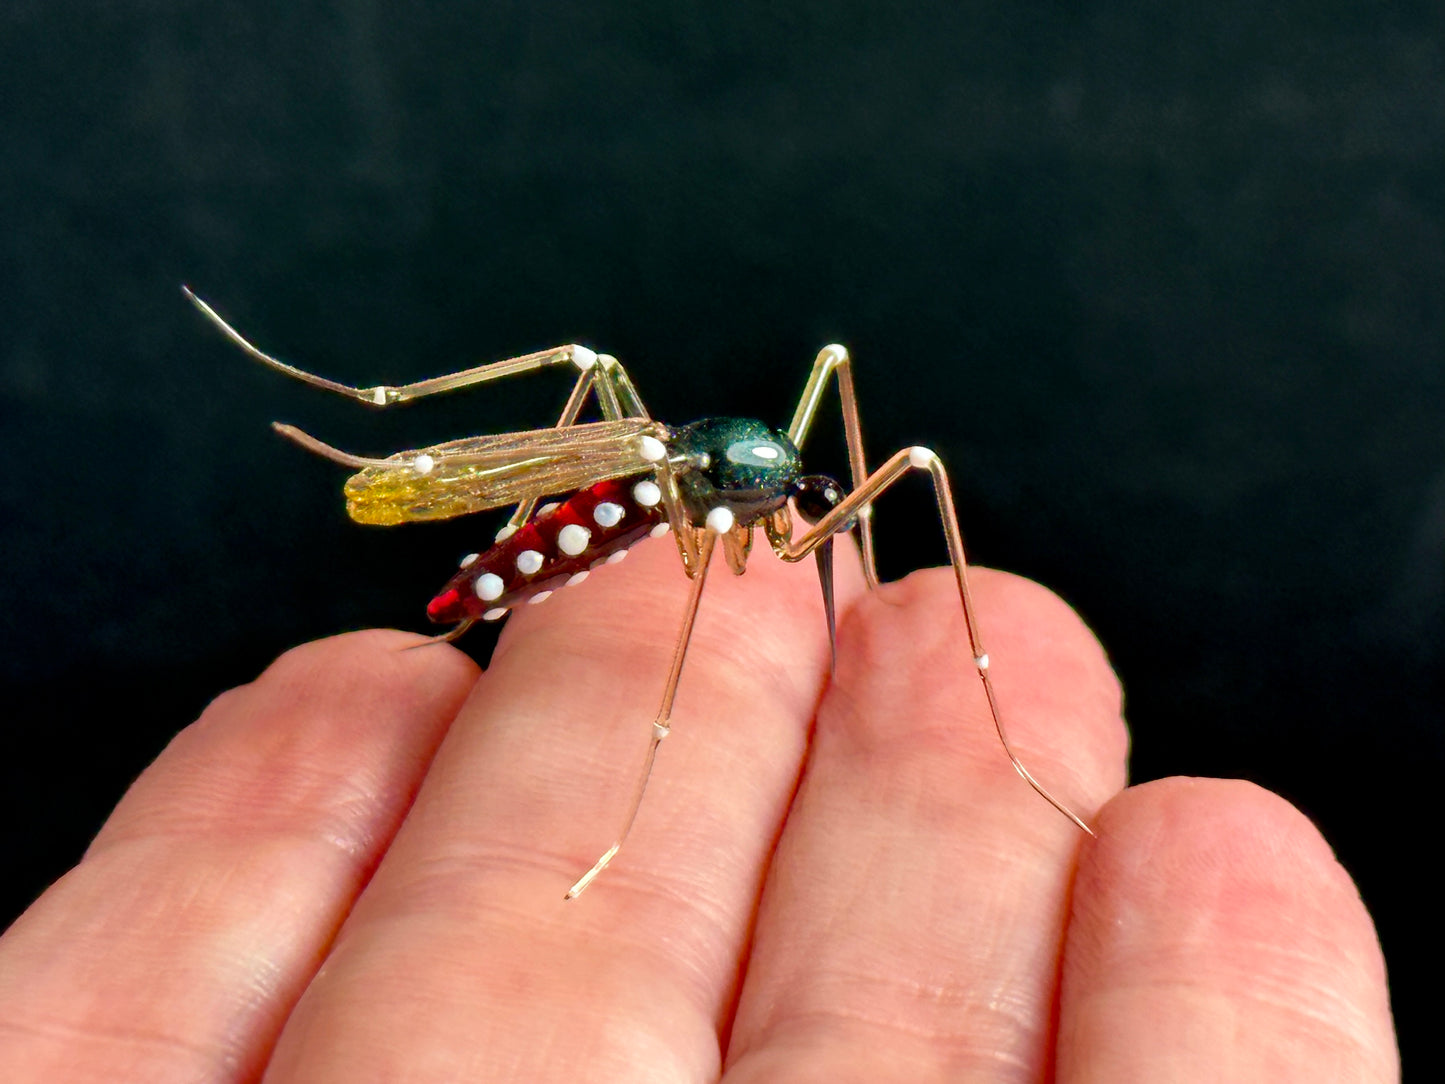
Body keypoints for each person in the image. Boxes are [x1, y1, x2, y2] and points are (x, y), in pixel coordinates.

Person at [0, 540, 1397, 1080]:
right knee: (651, 649)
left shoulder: (790, 497)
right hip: (620, 515)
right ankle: (379, 420)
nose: (815, 523)